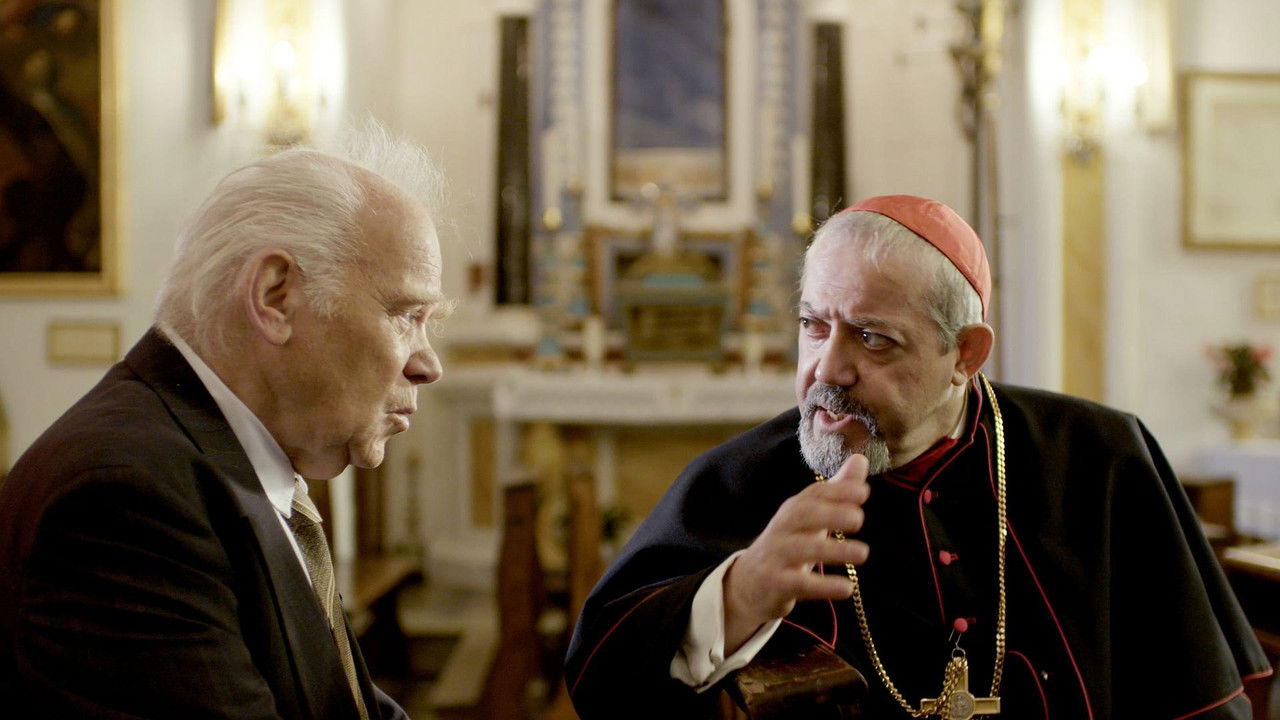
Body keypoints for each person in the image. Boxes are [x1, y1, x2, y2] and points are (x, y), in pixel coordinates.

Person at [565, 194, 1271, 719]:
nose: (827, 369)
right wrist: (739, 594)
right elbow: (599, 671)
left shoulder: (1100, 457)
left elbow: (1199, 700)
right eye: (813, 325)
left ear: (965, 354)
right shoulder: (740, 481)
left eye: (872, 338)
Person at [0, 124, 450, 719]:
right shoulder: (128, 499)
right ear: (275, 296)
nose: (428, 365)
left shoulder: (219, 459)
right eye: (405, 315)